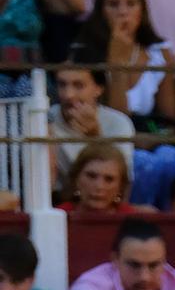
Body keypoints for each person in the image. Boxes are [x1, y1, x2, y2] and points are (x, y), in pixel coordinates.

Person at [71, 0, 175, 208]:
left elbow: (171, 122)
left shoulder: (159, 53)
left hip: (149, 136)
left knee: (172, 157)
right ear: (100, 10)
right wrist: (118, 65)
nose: (123, 11)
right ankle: (132, 218)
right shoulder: (83, 52)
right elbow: (115, 118)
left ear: (142, 10)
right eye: (113, 4)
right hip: (103, 140)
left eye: (131, 4)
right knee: (141, 162)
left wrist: (144, 139)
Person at [50, 64, 136, 198]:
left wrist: (94, 137)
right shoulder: (47, 119)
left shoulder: (118, 123)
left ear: (98, 89)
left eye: (78, 86)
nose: (68, 95)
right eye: (62, 85)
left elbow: (122, 184)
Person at [59, 140, 147, 213]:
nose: (99, 186)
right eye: (91, 176)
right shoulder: (58, 217)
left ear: (121, 186)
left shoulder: (132, 219)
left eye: (109, 179)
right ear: (76, 178)